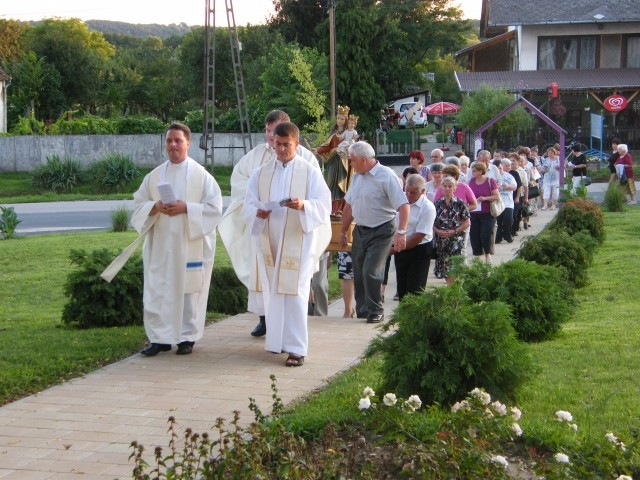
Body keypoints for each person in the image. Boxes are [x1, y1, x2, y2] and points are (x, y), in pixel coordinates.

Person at [218, 110, 321, 338]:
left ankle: (293, 330)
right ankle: (265, 319)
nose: (271, 137)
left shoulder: (305, 159)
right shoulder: (255, 157)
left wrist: (301, 204)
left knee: (292, 280)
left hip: (293, 229)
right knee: (263, 274)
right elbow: (240, 182)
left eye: (274, 132)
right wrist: (257, 206)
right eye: (267, 131)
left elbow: (318, 193)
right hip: (265, 229)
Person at [242, 122, 331, 367]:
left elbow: (324, 204)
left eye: (286, 145)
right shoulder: (260, 173)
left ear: (296, 144)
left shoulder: (309, 171)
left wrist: (304, 206)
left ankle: (296, 349)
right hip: (271, 241)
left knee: (295, 294)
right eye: (277, 144)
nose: (281, 149)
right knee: (274, 293)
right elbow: (247, 203)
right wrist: (257, 212)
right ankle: (278, 342)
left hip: (297, 243)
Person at [132, 123, 223, 356]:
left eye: (178, 140)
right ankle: (160, 338)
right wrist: (155, 206)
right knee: (158, 290)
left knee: (188, 291)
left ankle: (186, 337)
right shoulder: (154, 177)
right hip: (161, 245)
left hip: (188, 244)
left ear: (188, 143)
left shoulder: (201, 176)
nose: (173, 145)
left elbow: (214, 209)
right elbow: (139, 204)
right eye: (169, 140)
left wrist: (187, 208)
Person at [339, 141, 409, 324]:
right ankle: (363, 310)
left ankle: (376, 310)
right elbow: (349, 206)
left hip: (382, 229)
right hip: (361, 229)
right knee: (359, 270)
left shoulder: (386, 176)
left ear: (363, 159)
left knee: (371, 270)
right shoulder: (357, 177)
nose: (351, 164)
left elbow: (403, 205)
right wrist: (343, 231)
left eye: (352, 160)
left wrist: (402, 232)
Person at [392, 174, 436, 300]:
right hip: (400, 247)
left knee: (415, 289)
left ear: (422, 191)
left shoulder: (428, 208)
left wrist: (392, 250)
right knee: (402, 288)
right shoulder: (400, 201)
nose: (409, 195)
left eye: (413, 193)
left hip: (419, 249)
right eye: (407, 191)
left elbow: (418, 237)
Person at [433, 176, 470, 283]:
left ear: (455, 188)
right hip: (441, 241)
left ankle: (453, 288)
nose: (447, 188)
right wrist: (438, 231)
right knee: (444, 268)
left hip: (455, 241)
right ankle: (451, 287)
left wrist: (455, 231)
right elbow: (431, 222)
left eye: (450, 186)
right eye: (445, 186)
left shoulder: (460, 203)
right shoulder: (437, 204)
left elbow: (467, 222)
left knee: (454, 267)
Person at [316, 105, 352, 216]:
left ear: (346, 120)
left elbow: (352, 146)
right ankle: (332, 209)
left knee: (342, 186)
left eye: (342, 119)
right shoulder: (333, 134)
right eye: (338, 118)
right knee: (332, 185)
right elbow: (326, 146)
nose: (339, 121)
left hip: (344, 163)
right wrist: (316, 150)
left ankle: (341, 208)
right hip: (333, 162)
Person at [467, 162, 500, 262]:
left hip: (487, 212)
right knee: (474, 235)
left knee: (485, 234)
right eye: (472, 171)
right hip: (474, 213)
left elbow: (496, 196)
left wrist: (485, 198)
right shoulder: (471, 181)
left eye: (474, 171)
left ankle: (487, 253)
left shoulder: (490, 181)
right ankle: (477, 255)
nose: (473, 173)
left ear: (481, 171)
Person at [494, 158, 517, 244]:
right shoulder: (491, 177)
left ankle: (507, 234)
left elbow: (514, 186)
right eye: (497, 169)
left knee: (508, 219)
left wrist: (508, 186)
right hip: (496, 203)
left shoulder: (508, 176)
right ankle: (498, 237)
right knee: (498, 221)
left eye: (500, 168)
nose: (499, 170)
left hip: (507, 202)